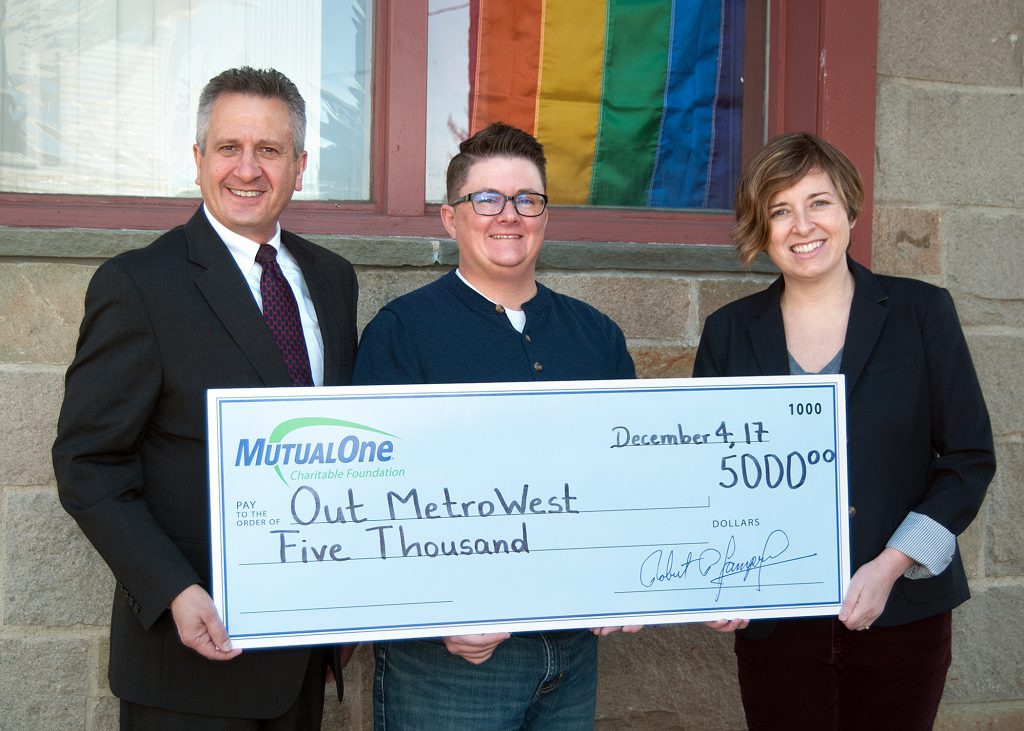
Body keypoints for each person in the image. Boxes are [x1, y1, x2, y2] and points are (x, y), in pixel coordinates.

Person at [52, 67, 358, 729]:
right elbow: (88, 463)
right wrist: (171, 588)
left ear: (300, 166)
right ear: (198, 160)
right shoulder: (138, 285)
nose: (247, 169)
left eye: (269, 151)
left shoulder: (332, 280)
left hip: (301, 653)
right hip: (187, 663)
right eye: (228, 148)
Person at [694, 132, 995, 730]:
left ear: (851, 210)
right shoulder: (729, 332)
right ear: (761, 228)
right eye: (780, 210)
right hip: (775, 621)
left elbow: (968, 458)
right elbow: (707, 477)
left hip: (903, 612)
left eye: (819, 203)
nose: (802, 225)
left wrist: (889, 566)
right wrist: (716, 580)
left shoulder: (921, 312)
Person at [353, 122, 637, 730]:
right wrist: (439, 614)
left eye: (526, 200)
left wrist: (630, 580)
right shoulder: (403, 332)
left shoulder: (596, 336)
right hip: (451, 662)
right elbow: (371, 499)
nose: (508, 215)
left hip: (572, 648)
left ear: (544, 216)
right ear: (450, 218)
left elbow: (627, 479)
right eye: (486, 199)